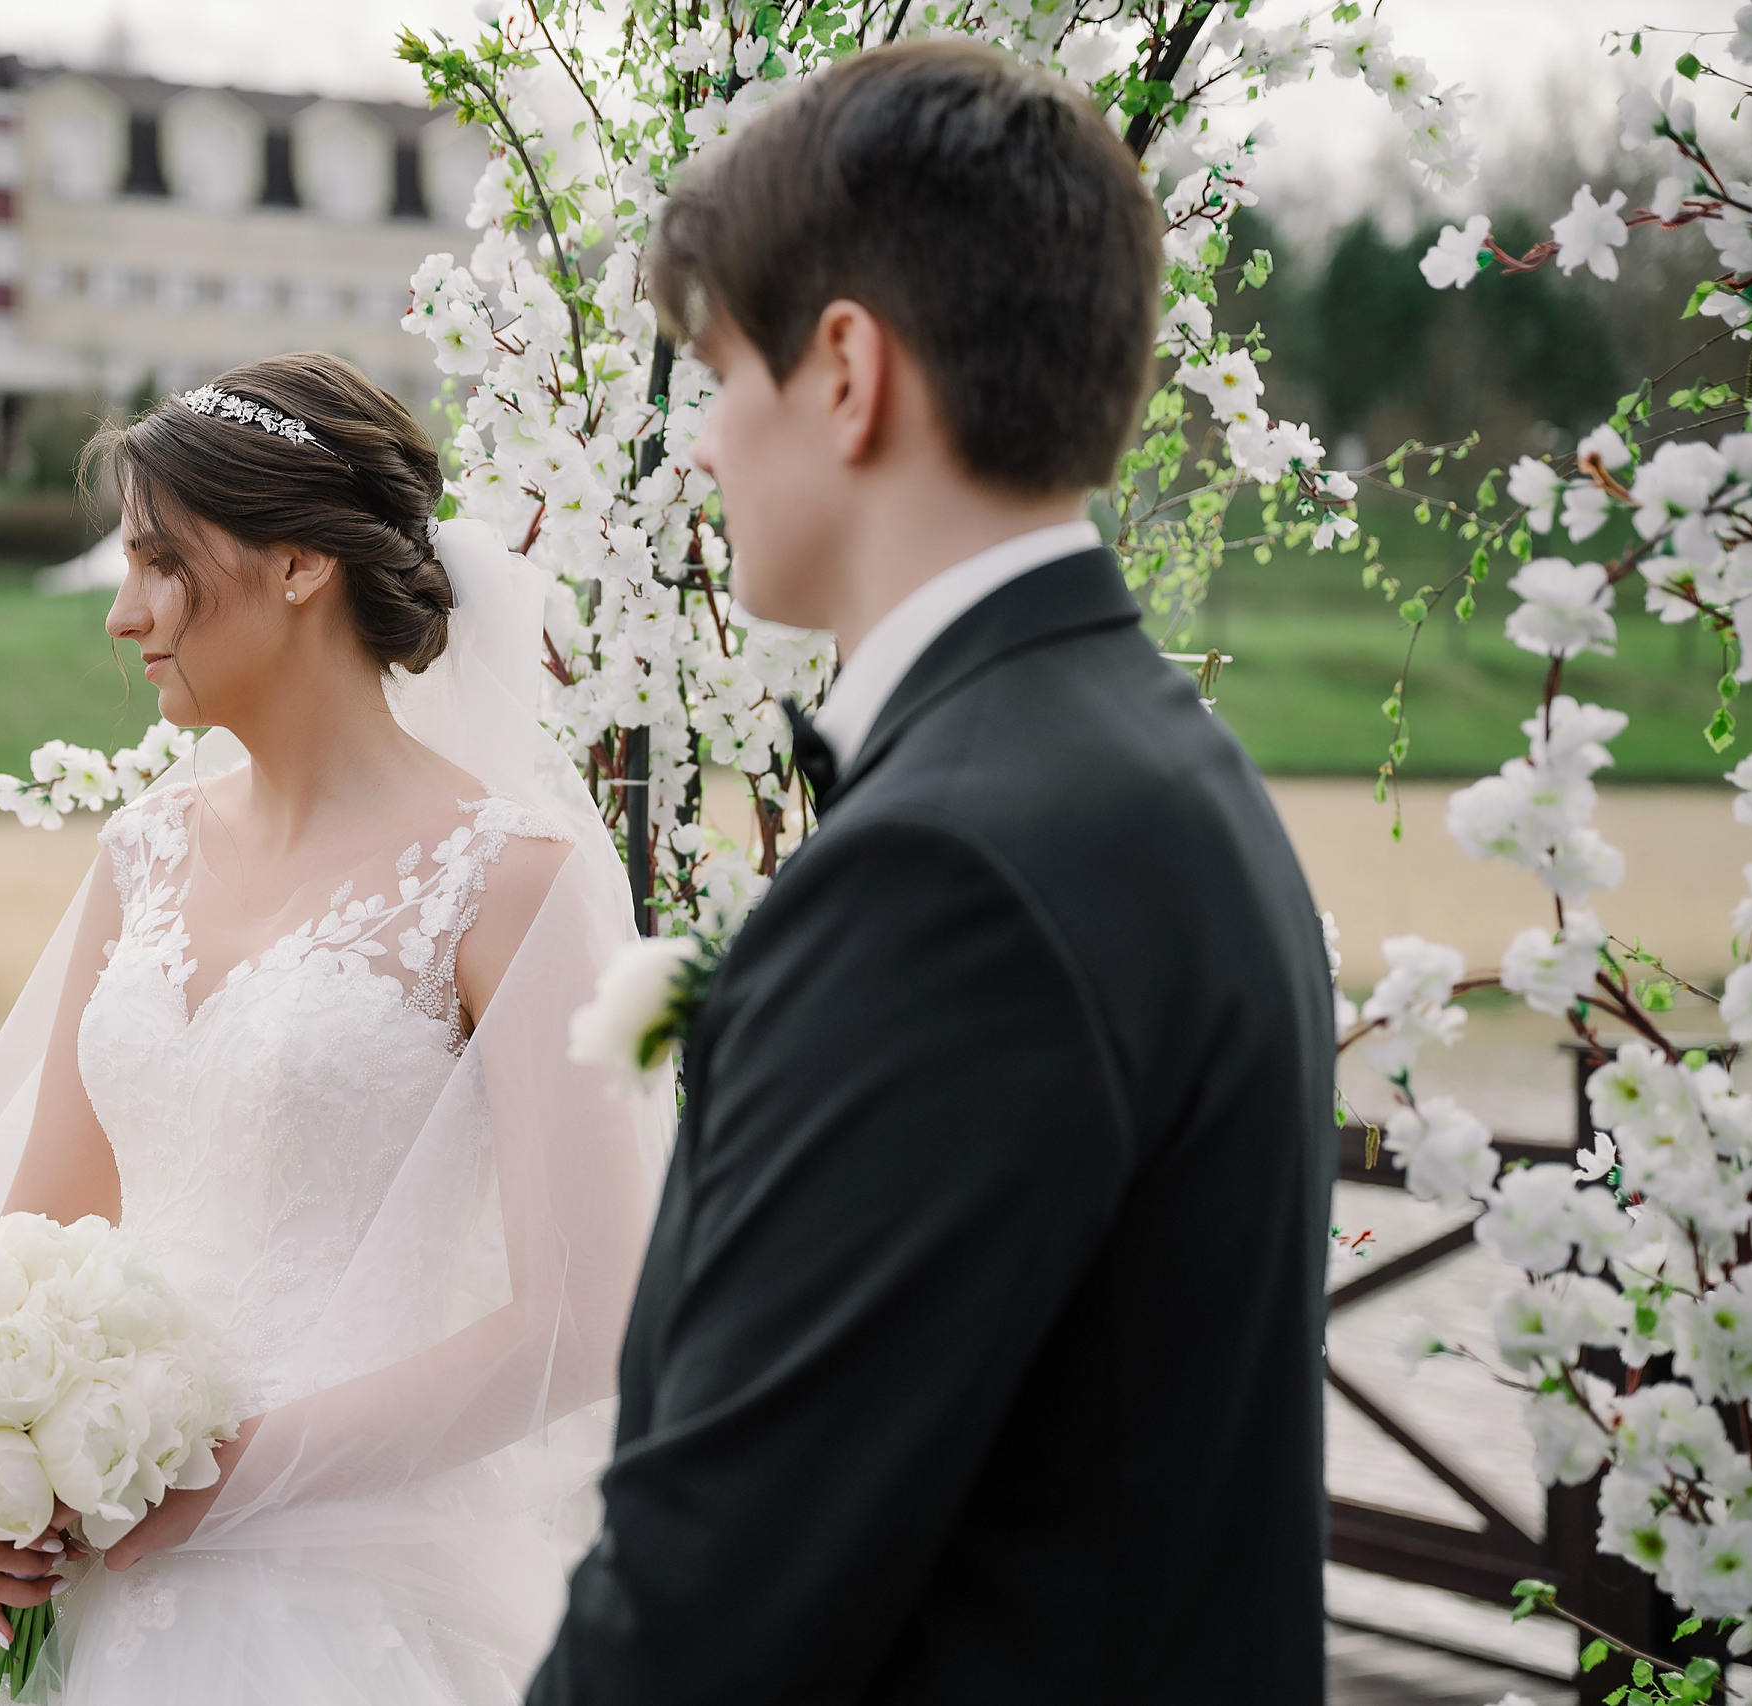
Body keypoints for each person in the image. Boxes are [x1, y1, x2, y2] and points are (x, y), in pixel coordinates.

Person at [0, 353, 668, 1705]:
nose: (124, 615)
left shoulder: (509, 878)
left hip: (336, 1583)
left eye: (158, 563)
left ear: (300, 565)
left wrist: (229, 1477)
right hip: (80, 1549)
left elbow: (584, 1318)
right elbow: (36, 1229)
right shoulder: (144, 852)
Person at [528, 41, 1336, 1706]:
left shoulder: (946, 876)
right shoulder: (1165, 766)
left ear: (844, 370)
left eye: (710, 372)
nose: (693, 450)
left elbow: (707, 1616)